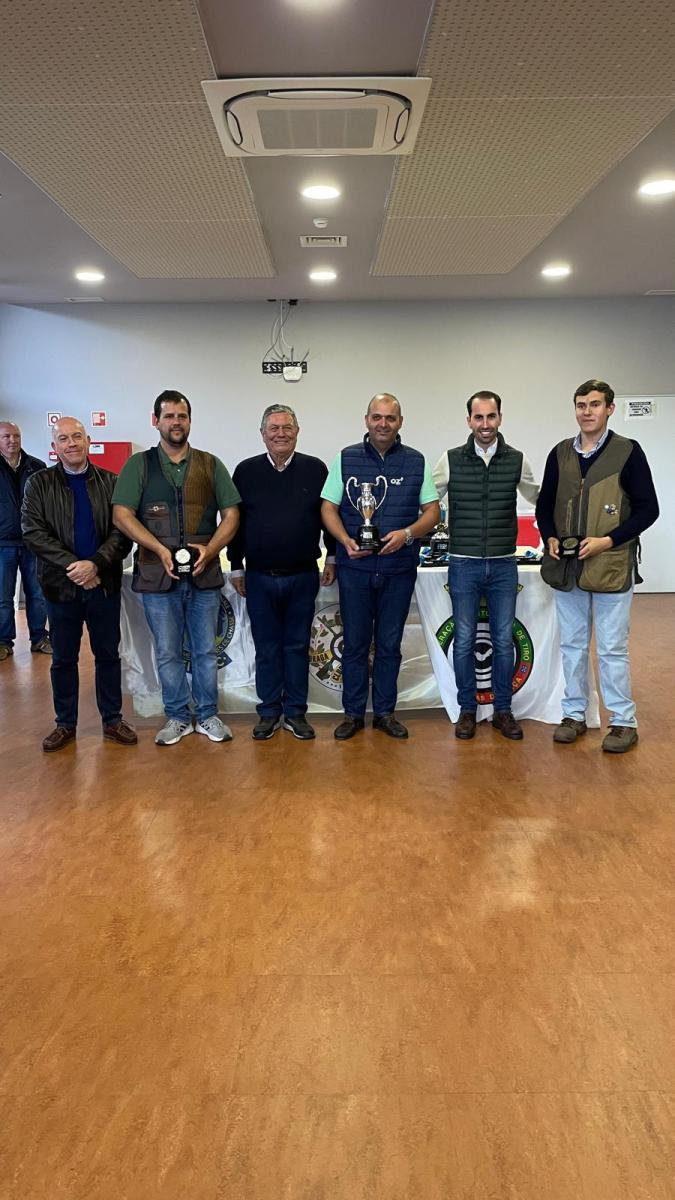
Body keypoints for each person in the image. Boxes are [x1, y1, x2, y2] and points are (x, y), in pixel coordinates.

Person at [536, 378, 659, 753]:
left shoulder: (628, 452)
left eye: (594, 404)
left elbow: (648, 509)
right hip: (567, 568)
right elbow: (544, 506)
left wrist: (608, 540)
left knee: (611, 650)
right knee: (572, 646)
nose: (586, 411)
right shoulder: (559, 453)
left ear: (609, 409)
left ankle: (623, 722)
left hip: (611, 567)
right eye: (580, 405)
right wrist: (550, 537)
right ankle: (574, 715)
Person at [112, 389, 240, 746]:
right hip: (157, 576)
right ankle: (178, 717)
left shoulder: (211, 464)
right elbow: (121, 514)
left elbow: (232, 514)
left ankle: (208, 715)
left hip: (204, 575)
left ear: (190, 421)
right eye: (169, 416)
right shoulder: (139, 465)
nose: (176, 422)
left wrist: (211, 550)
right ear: (156, 421)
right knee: (168, 652)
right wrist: (157, 548)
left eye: (182, 416)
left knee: (205, 651)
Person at [321, 393, 439, 739]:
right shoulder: (345, 458)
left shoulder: (416, 461)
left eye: (390, 418)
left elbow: (433, 512)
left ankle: (385, 713)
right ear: (366, 420)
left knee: (389, 645)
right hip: (355, 569)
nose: (383, 424)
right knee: (355, 644)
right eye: (377, 417)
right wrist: (344, 540)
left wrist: (407, 534)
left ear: (400, 422)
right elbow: (328, 507)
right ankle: (353, 714)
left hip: (398, 569)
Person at [21, 417, 137, 752]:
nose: (71, 443)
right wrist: (75, 567)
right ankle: (65, 724)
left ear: (87, 441)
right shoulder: (38, 484)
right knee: (63, 659)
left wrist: (95, 564)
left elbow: (122, 533)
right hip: (61, 588)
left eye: (76, 437)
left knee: (108, 655)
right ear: (54, 446)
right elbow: (33, 533)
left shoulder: (111, 482)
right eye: (63, 439)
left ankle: (112, 720)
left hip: (103, 585)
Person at [433, 390, 540, 741]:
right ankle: (467, 709)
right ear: (469, 421)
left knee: (503, 640)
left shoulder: (517, 459)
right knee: (464, 640)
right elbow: (428, 498)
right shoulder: (450, 459)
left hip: (503, 564)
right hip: (463, 563)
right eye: (478, 417)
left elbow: (539, 497)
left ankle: (503, 711)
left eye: (491, 416)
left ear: (500, 418)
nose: (485, 424)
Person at [229, 404, 336, 741]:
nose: (280, 434)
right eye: (273, 428)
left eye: (287, 427)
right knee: (266, 649)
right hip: (258, 577)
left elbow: (329, 516)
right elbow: (235, 522)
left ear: (297, 431)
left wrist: (333, 556)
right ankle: (269, 712)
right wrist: (235, 564)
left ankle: (295, 713)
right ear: (262, 434)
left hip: (303, 575)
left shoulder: (315, 469)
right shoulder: (245, 471)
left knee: (297, 647)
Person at [0, 420, 51, 661]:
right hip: (2, 544)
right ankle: (3, 642)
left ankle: (39, 638)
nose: (13, 440)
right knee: (3, 597)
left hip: (33, 542)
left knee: (38, 594)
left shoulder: (36, 467)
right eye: (7, 436)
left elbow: (47, 504)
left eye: (16, 436)